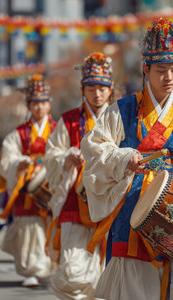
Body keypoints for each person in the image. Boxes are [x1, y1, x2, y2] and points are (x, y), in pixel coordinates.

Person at [80, 18, 173, 300]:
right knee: (135, 289)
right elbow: (93, 148)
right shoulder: (122, 111)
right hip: (134, 213)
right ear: (146, 69)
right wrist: (124, 158)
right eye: (161, 70)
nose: (169, 77)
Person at [44, 52, 113, 299]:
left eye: (102, 88)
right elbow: (51, 154)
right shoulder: (69, 120)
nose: (97, 94)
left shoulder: (119, 118)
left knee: (107, 272)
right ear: (83, 89)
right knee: (73, 270)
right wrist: (65, 159)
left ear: (110, 89)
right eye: (91, 88)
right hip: (76, 202)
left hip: (110, 204)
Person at [0, 74, 56, 287]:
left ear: (49, 104)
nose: (39, 108)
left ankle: (47, 268)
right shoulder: (19, 134)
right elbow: (8, 158)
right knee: (29, 230)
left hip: (50, 187)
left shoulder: (59, 130)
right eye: (35, 103)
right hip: (26, 190)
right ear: (29, 106)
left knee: (49, 227)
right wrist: (18, 164)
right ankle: (31, 270)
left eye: (43, 103)